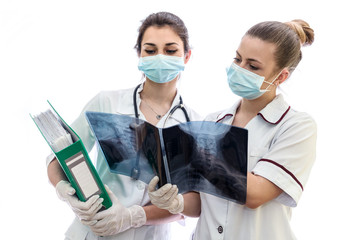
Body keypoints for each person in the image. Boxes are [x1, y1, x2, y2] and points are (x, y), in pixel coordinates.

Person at [148, 19, 317, 239]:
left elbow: (255, 194)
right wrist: (176, 201)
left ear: (281, 76)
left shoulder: (296, 127)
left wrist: (198, 155)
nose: (239, 69)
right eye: (238, 59)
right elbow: (201, 203)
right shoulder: (213, 122)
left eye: (253, 66)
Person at [46, 11, 201, 240]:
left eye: (170, 50)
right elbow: (58, 156)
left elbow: (190, 204)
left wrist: (133, 216)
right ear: (139, 54)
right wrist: (64, 190)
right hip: (92, 233)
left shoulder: (195, 124)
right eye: (150, 50)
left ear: (186, 55)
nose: (160, 57)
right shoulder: (107, 103)